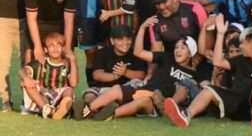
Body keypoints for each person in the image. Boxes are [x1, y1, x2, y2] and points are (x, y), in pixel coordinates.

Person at [78, 16, 209, 121]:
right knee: (117, 89)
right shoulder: (167, 58)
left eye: (183, 48)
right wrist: (142, 28)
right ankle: (88, 110)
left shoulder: (194, 74)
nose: (177, 51)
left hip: (157, 102)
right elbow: (139, 52)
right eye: (176, 47)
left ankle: (109, 115)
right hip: (143, 89)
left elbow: (204, 89)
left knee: (143, 101)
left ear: (191, 52)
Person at [164, 13, 252, 128]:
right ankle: (185, 116)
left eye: (242, 43)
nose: (240, 47)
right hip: (238, 105)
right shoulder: (239, 60)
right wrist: (220, 34)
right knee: (208, 90)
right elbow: (217, 62)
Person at [77, 25, 146, 115]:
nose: (125, 42)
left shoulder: (135, 54)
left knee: (136, 85)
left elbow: (141, 75)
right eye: (120, 39)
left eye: (128, 39)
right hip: (102, 89)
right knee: (89, 95)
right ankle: (87, 109)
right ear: (112, 41)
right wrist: (115, 75)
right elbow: (97, 75)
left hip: (125, 91)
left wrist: (125, 72)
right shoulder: (103, 53)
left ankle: (94, 110)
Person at [0, 0, 35, 110]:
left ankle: (27, 100)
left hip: (27, 20)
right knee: (3, 63)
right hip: (4, 21)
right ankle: (6, 100)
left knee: (27, 62)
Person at [19, 32, 77, 119]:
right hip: (43, 95)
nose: (55, 48)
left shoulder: (67, 64)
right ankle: (47, 109)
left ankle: (61, 110)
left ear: (63, 48)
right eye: (51, 46)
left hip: (59, 95)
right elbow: (22, 71)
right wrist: (26, 77)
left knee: (69, 90)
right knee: (27, 83)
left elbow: (73, 83)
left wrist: (73, 61)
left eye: (58, 45)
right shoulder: (41, 62)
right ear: (45, 49)